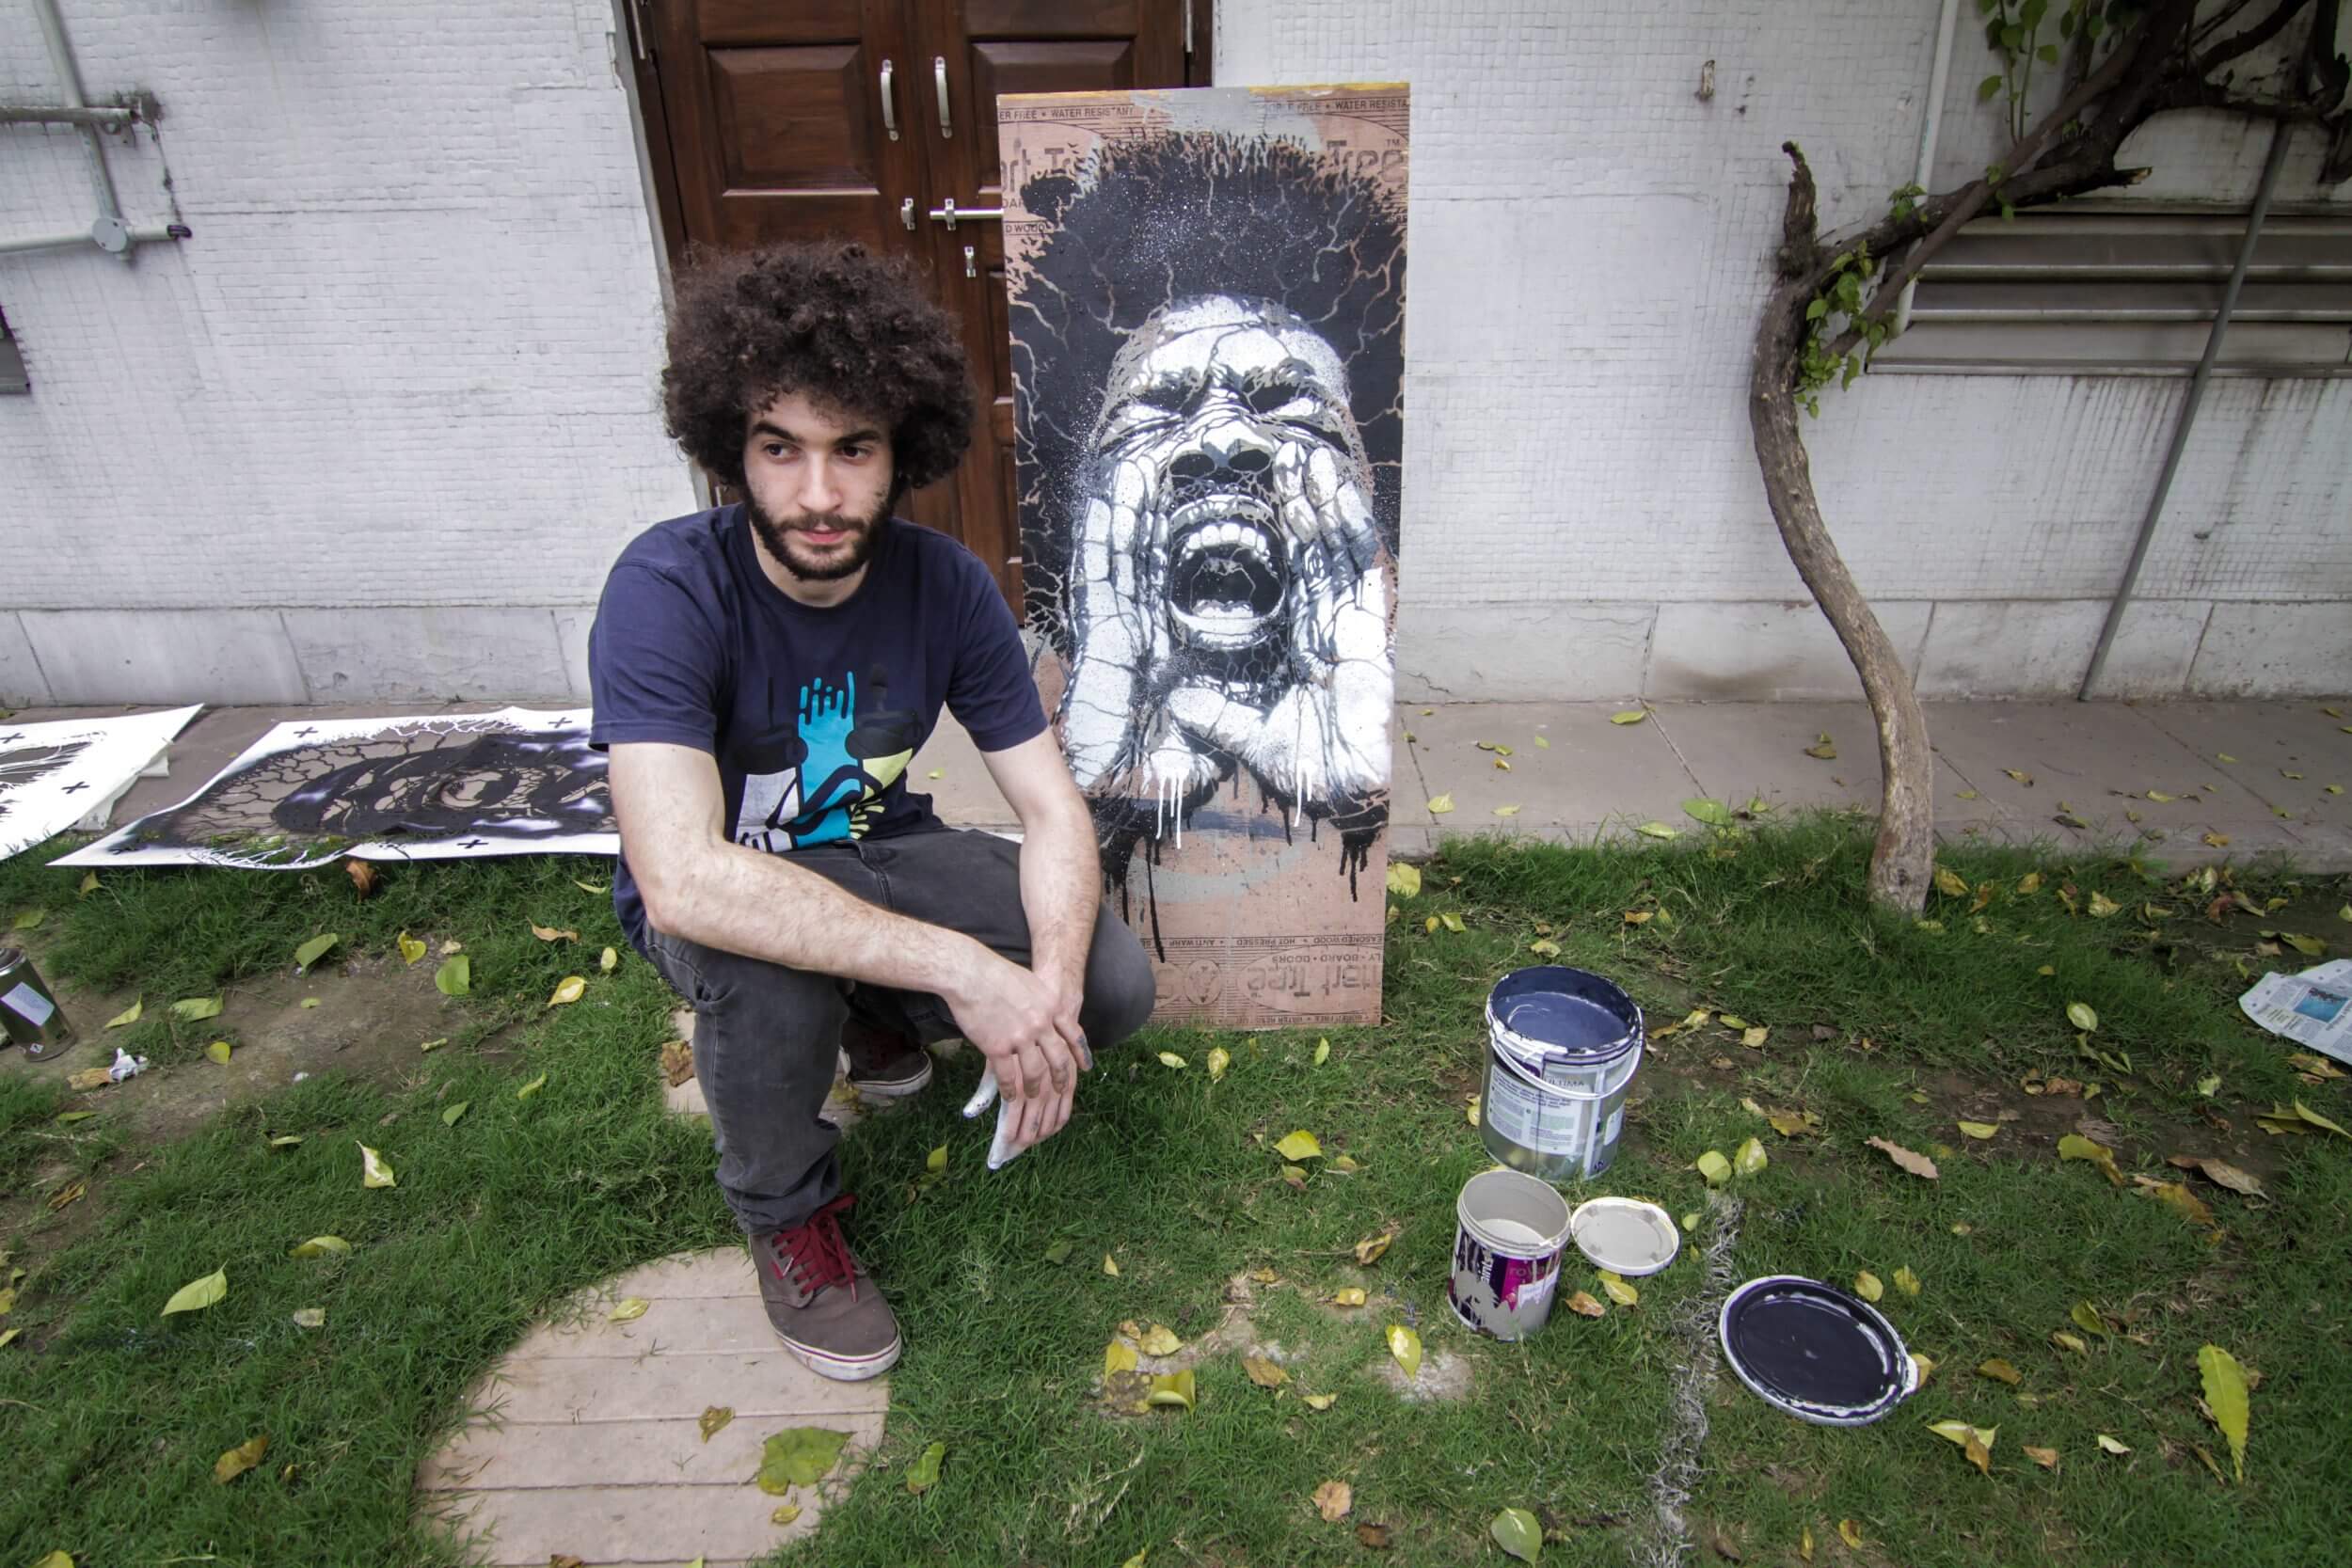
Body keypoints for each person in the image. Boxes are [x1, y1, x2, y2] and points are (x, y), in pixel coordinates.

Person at [587, 241, 1157, 1382]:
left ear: (902, 450)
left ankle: (870, 1007)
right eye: (779, 448)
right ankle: (787, 1213)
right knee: (764, 969)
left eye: (852, 448)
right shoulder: (666, 586)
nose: (817, 494)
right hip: (726, 878)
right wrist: (965, 970)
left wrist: (1042, 993)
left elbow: (1051, 808)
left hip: (875, 843)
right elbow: (682, 877)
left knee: (1111, 983)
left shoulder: (945, 584)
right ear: (729, 447)